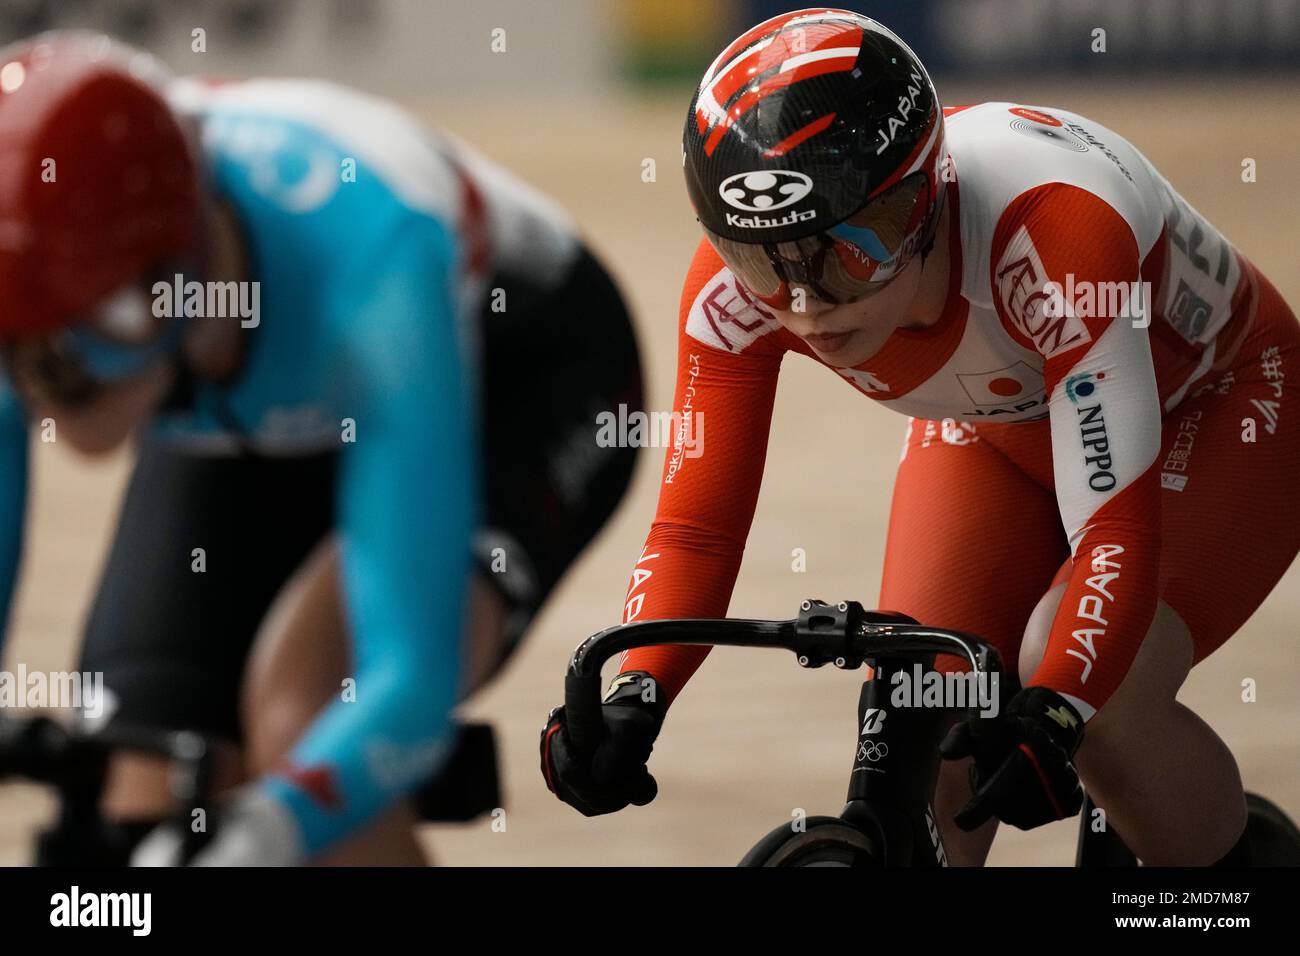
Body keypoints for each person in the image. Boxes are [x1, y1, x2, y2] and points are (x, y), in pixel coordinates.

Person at [540, 8, 1300, 866]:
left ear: (927, 197)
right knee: (921, 711)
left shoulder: (1054, 232)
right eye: (761, 262)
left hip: (1220, 407)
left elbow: (1115, 533)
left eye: (847, 255)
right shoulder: (735, 294)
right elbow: (695, 529)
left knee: (1105, 714)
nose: (804, 306)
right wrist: (639, 692)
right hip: (997, 423)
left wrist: (1059, 707)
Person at [0, 30, 642, 865]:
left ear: (175, 275)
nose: (47, 393)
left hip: (517, 380)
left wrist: (269, 830)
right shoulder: (46, 275)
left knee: (306, 712)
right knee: (148, 780)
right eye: (22, 357)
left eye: (79, 350)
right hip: (247, 385)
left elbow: (402, 686)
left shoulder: (376, 258)